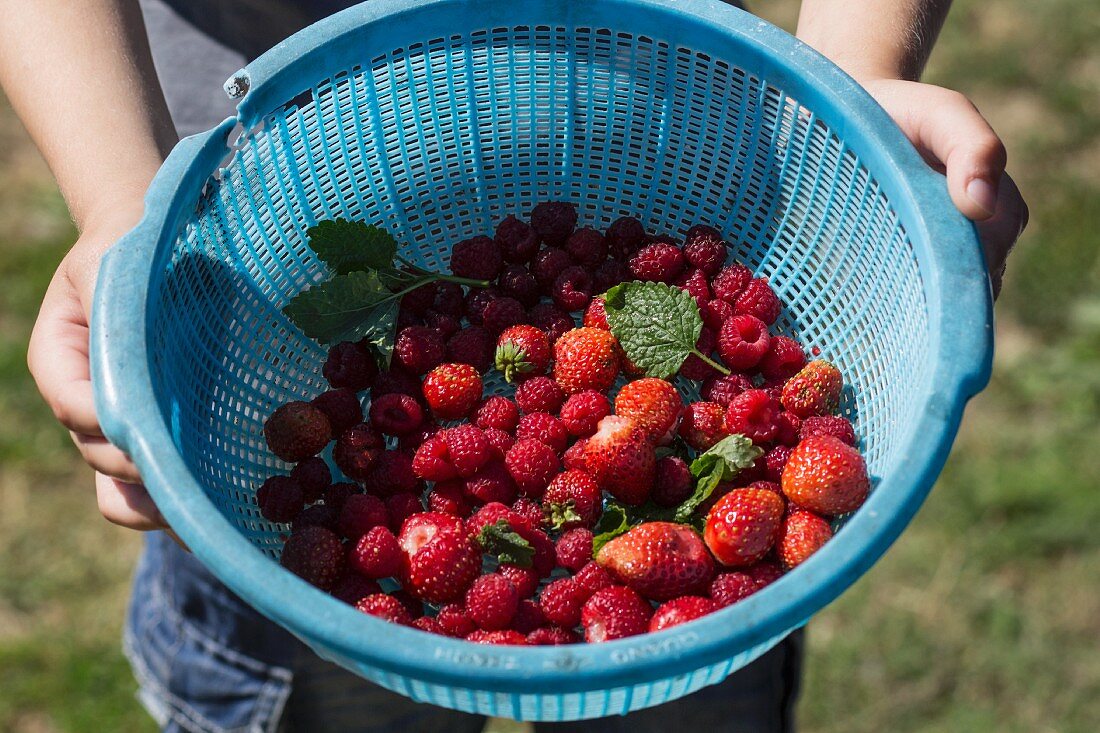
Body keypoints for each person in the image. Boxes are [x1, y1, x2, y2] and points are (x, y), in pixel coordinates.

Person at [1, 1, 1028, 731]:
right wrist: (120, 206)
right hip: (245, 205)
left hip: (668, 115)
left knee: (682, 692)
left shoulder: (629, 422)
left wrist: (849, 75)